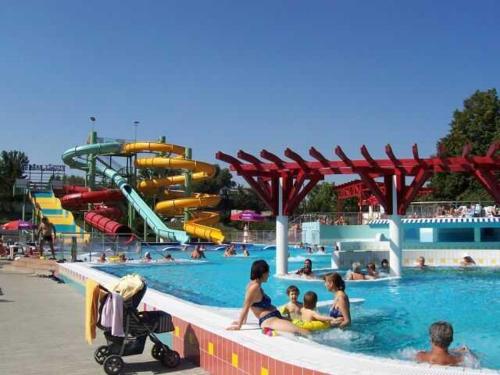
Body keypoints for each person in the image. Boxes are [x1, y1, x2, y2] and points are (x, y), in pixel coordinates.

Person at [227, 260, 309, 336]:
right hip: (269, 320)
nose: (268, 275)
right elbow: (246, 305)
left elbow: (249, 303)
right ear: (262, 273)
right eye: (268, 272)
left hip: (274, 316)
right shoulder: (254, 287)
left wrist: (244, 321)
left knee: (303, 327)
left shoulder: (256, 285)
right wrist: (239, 325)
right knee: (301, 331)